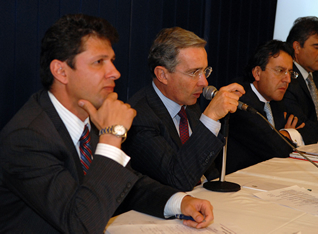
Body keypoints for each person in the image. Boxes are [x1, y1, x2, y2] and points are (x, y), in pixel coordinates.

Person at [0, 14, 214, 233]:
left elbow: (125, 184)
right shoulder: (27, 138)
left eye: (111, 61)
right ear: (61, 71)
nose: (115, 73)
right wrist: (112, 136)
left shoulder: (88, 118)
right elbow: (80, 224)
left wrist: (179, 202)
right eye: (98, 62)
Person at [123, 27, 245, 191]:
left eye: (204, 71)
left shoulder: (189, 105)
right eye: (194, 72)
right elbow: (177, 179)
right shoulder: (139, 117)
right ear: (162, 75)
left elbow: (208, 167)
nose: (204, 83)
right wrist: (210, 117)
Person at [224, 40, 317, 174]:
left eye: (290, 72)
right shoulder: (240, 102)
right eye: (280, 71)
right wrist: (286, 135)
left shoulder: (277, 99)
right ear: (257, 73)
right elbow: (278, 149)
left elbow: (311, 131)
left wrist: (285, 134)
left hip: (272, 175)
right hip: (241, 181)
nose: (288, 80)